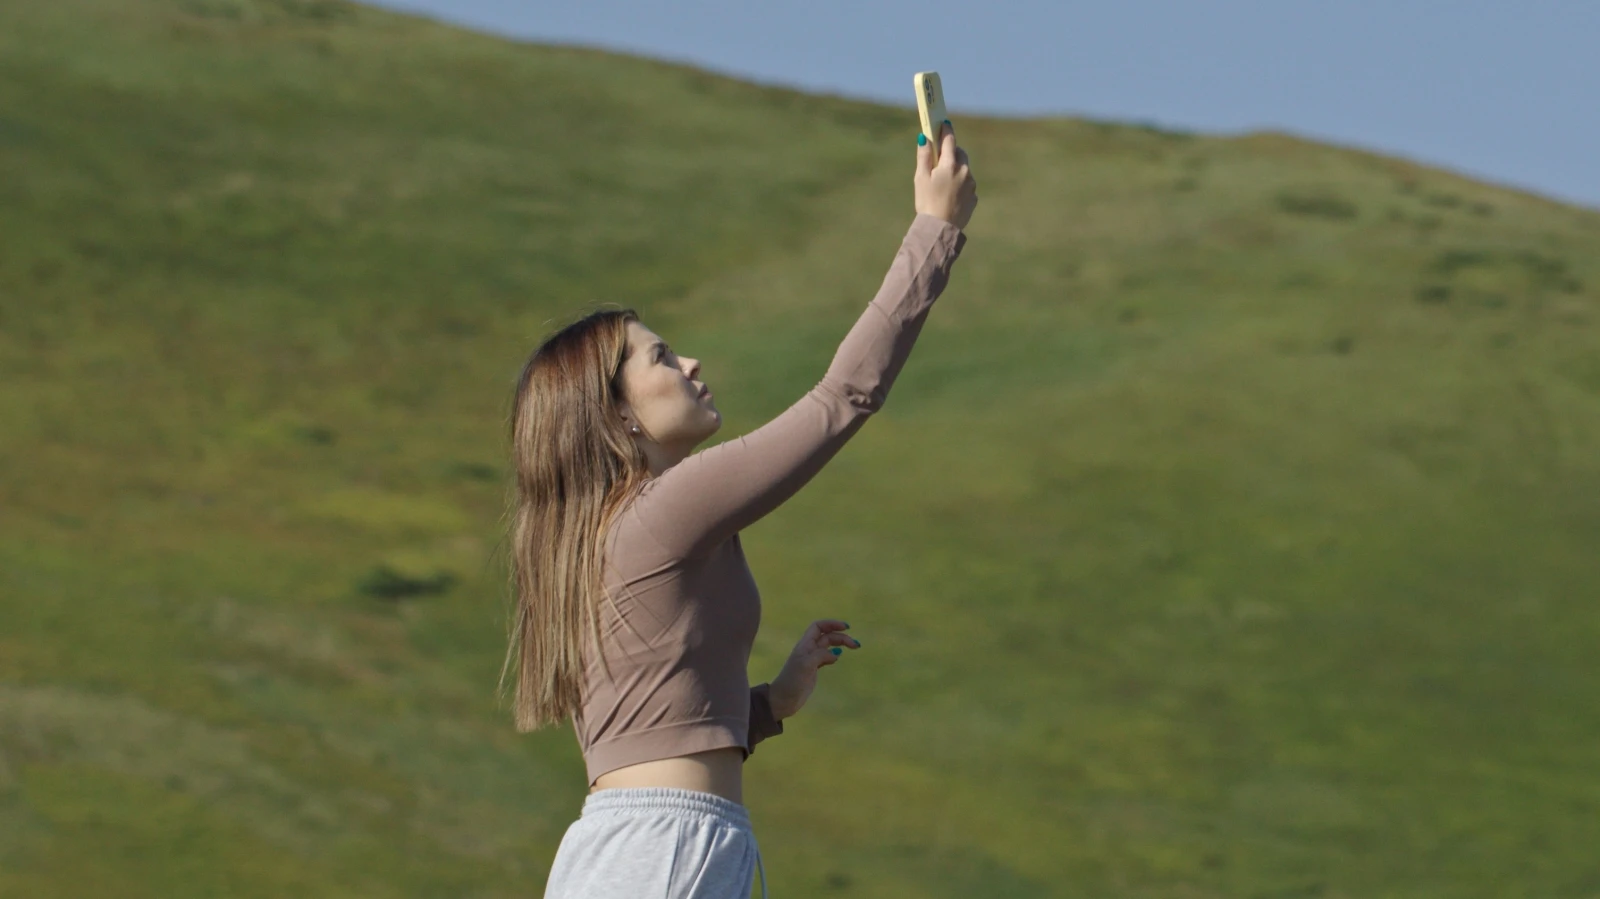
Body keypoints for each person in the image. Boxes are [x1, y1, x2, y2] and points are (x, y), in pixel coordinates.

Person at [507, 120, 977, 898]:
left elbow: (651, 721)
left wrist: (771, 704)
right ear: (617, 414)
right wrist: (935, 231)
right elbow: (843, 398)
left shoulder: (605, 537)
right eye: (659, 356)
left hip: (655, 844)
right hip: (661, 849)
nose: (689, 361)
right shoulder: (662, 511)